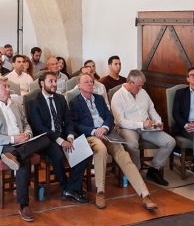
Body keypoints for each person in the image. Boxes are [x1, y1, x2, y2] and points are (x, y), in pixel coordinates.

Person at [69, 74, 157, 210]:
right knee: (101, 150)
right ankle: (100, 191)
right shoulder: (75, 102)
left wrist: (104, 128)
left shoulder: (99, 98)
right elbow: (75, 125)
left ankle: (145, 194)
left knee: (123, 156)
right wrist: (94, 131)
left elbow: (110, 116)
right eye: (86, 82)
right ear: (79, 85)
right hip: (91, 135)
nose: (90, 83)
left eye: (91, 81)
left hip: (107, 133)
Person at [0, 77, 52, 222]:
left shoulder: (15, 104)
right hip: (3, 144)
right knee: (23, 162)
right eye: (4, 87)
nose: (8, 90)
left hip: (21, 144)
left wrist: (27, 134)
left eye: (8, 86)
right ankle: (24, 205)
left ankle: (15, 154)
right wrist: (13, 139)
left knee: (46, 139)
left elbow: (26, 124)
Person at [26, 71, 90, 204]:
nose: (54, 84)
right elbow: (40, 128)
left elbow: (68, 121)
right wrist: (61, 142)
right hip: (46, 138)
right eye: (51, 81)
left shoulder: (60, 99)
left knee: (85, 151)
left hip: (63, 134)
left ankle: (71, 188)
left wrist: (70, 136)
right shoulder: (34, 102)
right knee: (58, 156)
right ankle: (65, 186)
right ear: (42, 83)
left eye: (55, 81)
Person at [110, 69, 176, 186]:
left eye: (142, 86)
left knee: (170, 142)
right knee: (131, 144)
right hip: (127, 128)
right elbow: (120, 122)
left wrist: (158, 122)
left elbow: (151, 109)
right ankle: (135, 170)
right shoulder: (118, 96)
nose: (141, 89)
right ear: (130, 82)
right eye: (139, 86)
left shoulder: (143, 93)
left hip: (147, 127)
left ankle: (153, 170)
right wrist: (141, 124)